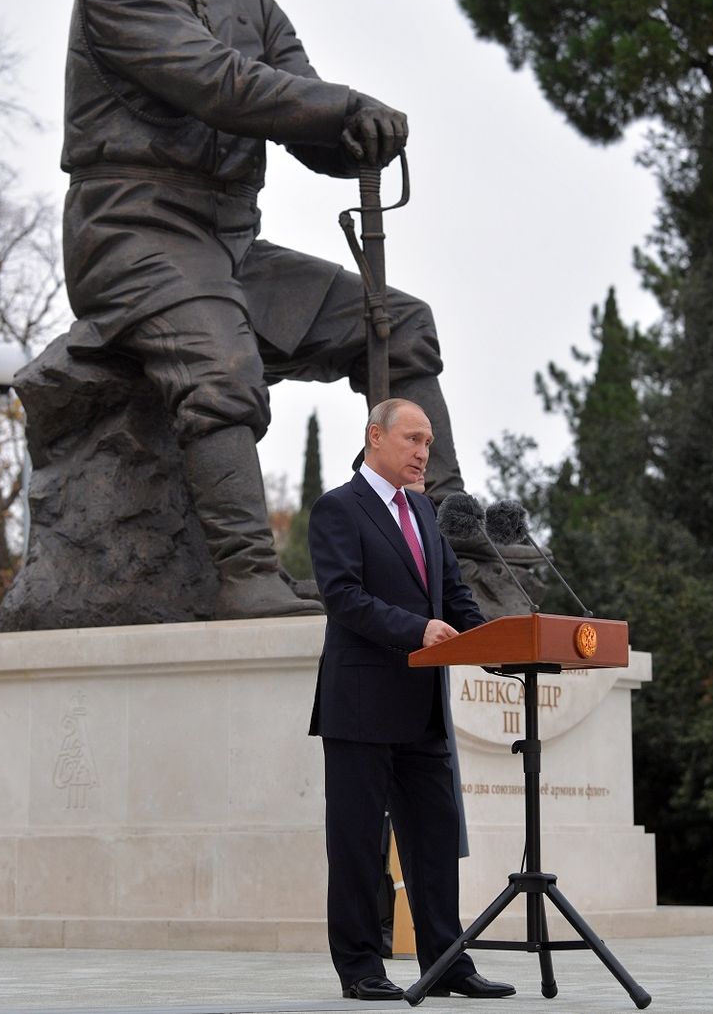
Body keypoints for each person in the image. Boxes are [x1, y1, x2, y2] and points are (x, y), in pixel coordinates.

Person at [60, 0, 466, 621]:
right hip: (133, 231)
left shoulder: (255, 4)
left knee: (401, 322)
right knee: (221, 363)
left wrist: (357, 135)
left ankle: (453, 535)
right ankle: (247, 574)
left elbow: (301, 120)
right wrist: (341, 102)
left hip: (233, 244)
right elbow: (216, 82)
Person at [308, 398, 515, 1001]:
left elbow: (453, 596)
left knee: (434, 840)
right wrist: (416, 630)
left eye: (428, 442)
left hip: (422, 710)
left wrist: (498, 643)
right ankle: (361, 969)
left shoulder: (424, 512)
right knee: (355, 842)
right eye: (414, 439)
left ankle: (447, 962)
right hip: (361, 707)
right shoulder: (337, 509)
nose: (425, 453)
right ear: (375, 436)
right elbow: (343, 597)